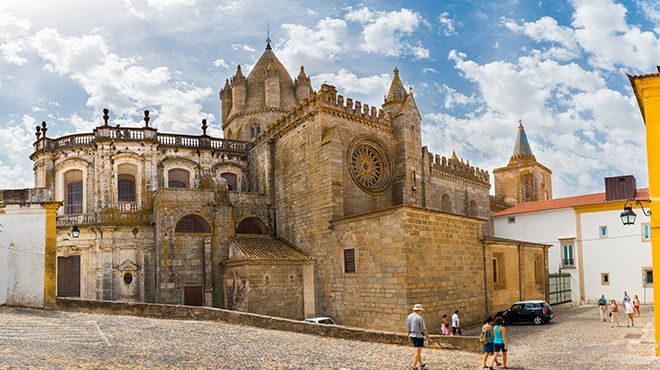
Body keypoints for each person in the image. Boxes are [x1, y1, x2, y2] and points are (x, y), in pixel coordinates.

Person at [406, 304, 429, 370]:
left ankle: (421, 364)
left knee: (417, 351)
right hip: (419, 336)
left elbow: (408, 327)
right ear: (419, 310)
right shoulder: (419, 318)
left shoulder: (409, 316)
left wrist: (408, 335)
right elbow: (424, 329)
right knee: (418, 351)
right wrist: (428, 337)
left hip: (412, 335)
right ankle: (413, 365)